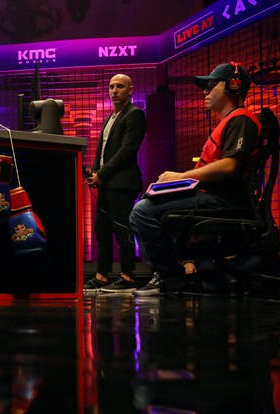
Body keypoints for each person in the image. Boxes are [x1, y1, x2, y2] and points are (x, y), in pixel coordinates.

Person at [129, 62, 261, 296]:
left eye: (211, 85)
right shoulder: (230, 121)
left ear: (234, 85)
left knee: (142, 212)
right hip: (212, 196)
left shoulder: (242, 120)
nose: (205, 91)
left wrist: (181, 176)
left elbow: (230, 165)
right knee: (148, 203)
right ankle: (174, 271)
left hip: (224, 200)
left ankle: (169, 277)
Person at [83, 74, 147, 294]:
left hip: (122, 183)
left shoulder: (135, 114)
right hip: (107, 183)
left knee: (122, 230)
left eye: (120, 86)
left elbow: (127, 151)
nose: (114, 90)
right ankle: (102, 275)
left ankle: (128, 276)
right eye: (111, 87)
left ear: (130, 90)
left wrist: (101, 174)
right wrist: (94, 171)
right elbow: (102, 151)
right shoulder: (110, 117)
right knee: (102, 230)